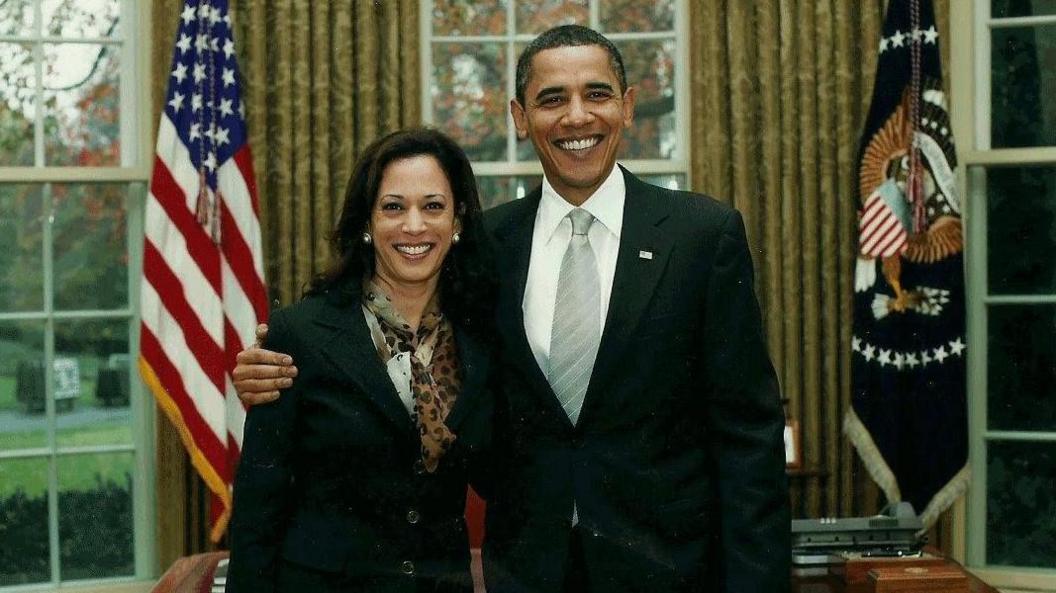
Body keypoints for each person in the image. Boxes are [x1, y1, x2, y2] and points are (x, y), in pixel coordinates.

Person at [235, 25, 789, 593]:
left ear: (626, 108)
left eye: (596, 94)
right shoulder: (485, 249)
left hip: (671, 571)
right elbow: (380, 335)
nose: (576, 117)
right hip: (528, 571)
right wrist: (267, 364)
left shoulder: (701, 235)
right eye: (552, 99)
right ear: (520, 118)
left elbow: (748, 437)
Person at [225, 128, 496, 593]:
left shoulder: (482, 336)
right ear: (368, 223)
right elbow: (258, 508)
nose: (414, 226)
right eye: (394, 207)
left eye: (433, 206)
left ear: (457, 221)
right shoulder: (301, 333)